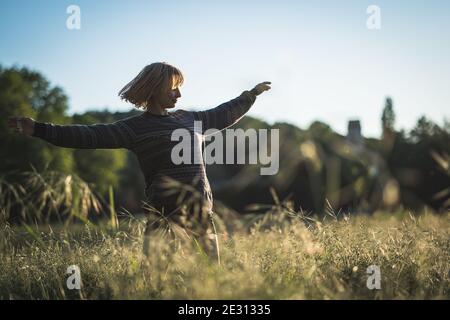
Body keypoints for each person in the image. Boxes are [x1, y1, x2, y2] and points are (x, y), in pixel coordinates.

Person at [8, 62, 271, 261]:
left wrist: (250, 95)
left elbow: (224, 113)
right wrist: (39, 129)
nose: (178, 94)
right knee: (154, 279)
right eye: (173, 87)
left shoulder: (191, 120)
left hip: (199, 210)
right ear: (155, 89)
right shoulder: (134, 128)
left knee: (213, 272)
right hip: (162, 214)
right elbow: (87, 135)